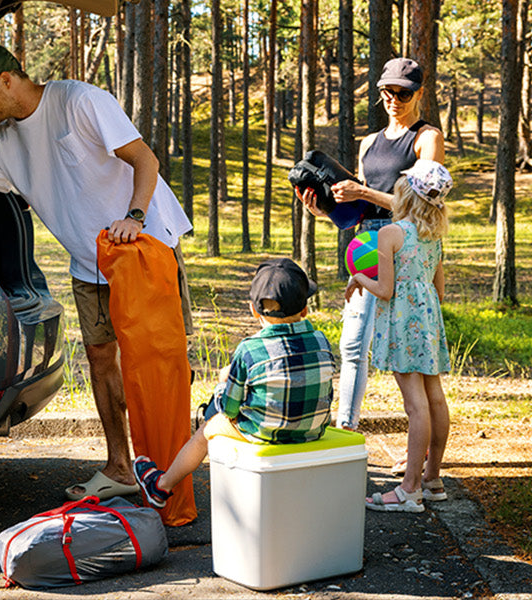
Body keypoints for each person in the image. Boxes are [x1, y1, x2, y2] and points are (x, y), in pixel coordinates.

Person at [0, 44, 194, 500]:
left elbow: (146, 160)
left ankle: (174, 471)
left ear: (6, 80)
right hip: (89, 263)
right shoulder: (3, 145)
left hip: (144, 247)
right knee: (102, 362)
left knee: (158, 365)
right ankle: (120, 466)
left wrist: (134, 217)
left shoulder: (80, 101)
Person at [297, 57, 444, 437]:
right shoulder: (368, 144)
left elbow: (425, 207)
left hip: (406, 243)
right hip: (366, 242)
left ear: (418, 94)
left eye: (404, 93)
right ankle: (346, 428)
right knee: (352, 345)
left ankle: (422, 463)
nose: (394, 99)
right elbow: (359, 209)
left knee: (413, 364)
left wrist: (362, 191)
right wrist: (325, 209)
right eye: (387, 92)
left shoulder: (427, 138)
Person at [131, 258, 336, 508]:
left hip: (265, 435)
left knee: (207, 430)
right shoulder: (322, 340)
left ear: (253, 310)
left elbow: (228, 409)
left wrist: (221, 382)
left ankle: (161, 487)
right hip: (312, 431)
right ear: (304, 310)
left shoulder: (249, 349)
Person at [344, 160, 453, 513]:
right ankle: (433, 479)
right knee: (434, 397)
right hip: (429, 320)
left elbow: (386, 290)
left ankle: (410, 489)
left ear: (405, 192)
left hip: (404, 322)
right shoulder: (432, 236)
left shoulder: (392, 234)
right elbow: (438, 287)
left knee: (414, 405)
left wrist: (359, 278)